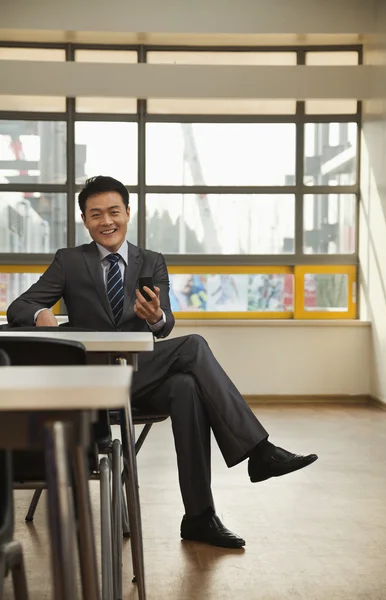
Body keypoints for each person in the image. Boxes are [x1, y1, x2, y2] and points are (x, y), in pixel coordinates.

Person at [7, 176, 318, 549]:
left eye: (113, 212)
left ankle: (200, 517)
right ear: (85, 221)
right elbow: (18, 307)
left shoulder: (150, 261)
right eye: (95, 215)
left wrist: (155, 317)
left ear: (127, 213)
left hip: (139, 379)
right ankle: (257, 451)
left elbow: (165, 324)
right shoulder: (70, 261)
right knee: (194, 348)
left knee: (186, 387)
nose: (106, 221)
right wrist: (42, 312)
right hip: (90, 383)